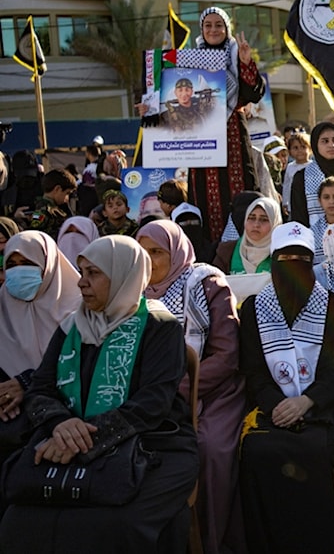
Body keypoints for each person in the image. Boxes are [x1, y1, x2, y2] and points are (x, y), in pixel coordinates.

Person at [0, 236, 199, 552]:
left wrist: (82, 439)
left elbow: (152, 404)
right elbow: (41, 387)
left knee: (119, 523)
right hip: (66, 439)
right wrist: (61, 425)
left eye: (94, 273)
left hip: (152, 443)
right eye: (81, 272)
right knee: (18, 519)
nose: (82, 283)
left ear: (124, 274)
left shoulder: (160, 326)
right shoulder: (72, 327)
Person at [238, 222, 334, 553]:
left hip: (324, 408)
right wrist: (277, 404)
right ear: (273, 263)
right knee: (259, 453)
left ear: (312, 263)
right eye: (284, 259)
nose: (292, 268)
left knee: (313, 454)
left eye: (300, 260)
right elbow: (254, 372)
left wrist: (308, 401)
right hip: (273, 409)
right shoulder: (253, 309)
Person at [136, 220, 243, 554]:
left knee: (209, 446)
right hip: (153, 396)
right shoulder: (131, 289)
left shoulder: (207, 283)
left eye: (157, 252)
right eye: (143, 252)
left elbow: (226, 356)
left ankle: (210, 540)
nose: (149, 260)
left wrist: (175, 388)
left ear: (176, 252)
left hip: (212, 390)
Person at [181, 8, 265, 242]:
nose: (213, 29)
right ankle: (211, 253)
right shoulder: (190, 59)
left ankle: (243, 249)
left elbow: (253, 94)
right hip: (202, 133)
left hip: (232, 133)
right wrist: (149, 108)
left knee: (239, 192)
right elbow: (174, 92)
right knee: (204, 195)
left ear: (227, 29)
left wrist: (246, 62)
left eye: (219, 24)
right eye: (208, 25)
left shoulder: (238, 54)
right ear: (202, 29)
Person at [0, 232, 82, 464]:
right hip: (12, 419)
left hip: (64, 416)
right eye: (11, 265)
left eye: (27, 263)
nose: (18, 272)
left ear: (48, 265)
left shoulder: (81, 311)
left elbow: (85, 368)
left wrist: (28, 383)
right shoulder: (2, 306)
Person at [213, 197, 281, 275]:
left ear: (275, 223)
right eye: (251, 218)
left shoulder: (283, 253)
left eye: (264, 219)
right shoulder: (227, 251)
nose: (256, 225)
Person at [27, 169, 75, 239]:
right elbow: (35, 232)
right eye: (67, 193)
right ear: (57, 189)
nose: (67, 198)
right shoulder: (42, 210)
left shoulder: (56, 208)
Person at [281, 131, 311, 216]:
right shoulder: (290, 167)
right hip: (294, 205)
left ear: (310, 149)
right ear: (290, 151)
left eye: (303, 147)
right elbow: (286, 186)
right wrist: (285, 202)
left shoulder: (313, 166)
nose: (299, 151)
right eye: (295, 148)